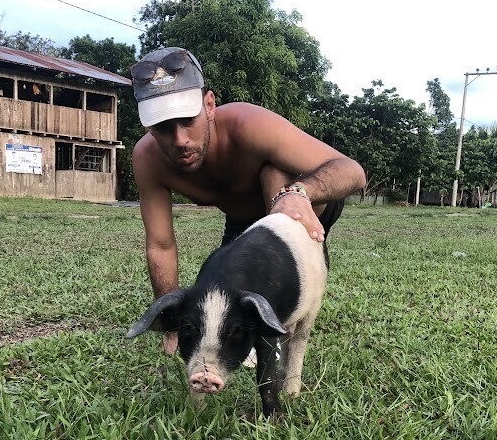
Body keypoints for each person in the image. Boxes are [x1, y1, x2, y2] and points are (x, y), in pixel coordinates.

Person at [131, 47, 366, 353]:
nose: (180, 140)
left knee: (274, 171)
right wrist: (173, 324)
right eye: (163, 128)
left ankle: (277, 328)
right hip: (244, 219)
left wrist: (299, 193)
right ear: (148, 126)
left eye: (188, 120)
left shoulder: (248, 125)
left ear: (209, 105)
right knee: (229, 280)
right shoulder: (148, 158)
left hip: (304, 201)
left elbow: (354, 173)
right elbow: (161, 245)